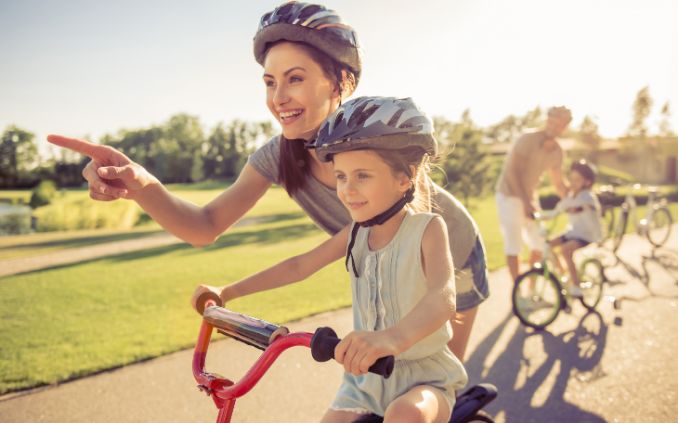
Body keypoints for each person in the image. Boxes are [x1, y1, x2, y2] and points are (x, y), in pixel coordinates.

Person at [46, 1, 488, 361]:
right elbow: (204, 226)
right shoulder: (279, 156)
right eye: (270, 82)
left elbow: (417, 262)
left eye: (295, 79)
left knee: (429, 382)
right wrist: (142, 185)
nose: (278, 98)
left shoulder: (377, 142)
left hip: (450, 260)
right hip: (388, 269)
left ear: (341, 82)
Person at [193, 97, 468, 423]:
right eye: (340, 176)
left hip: (424, 379)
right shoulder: (354, 233)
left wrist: (392, 338)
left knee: (404, 415)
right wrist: (227, 291)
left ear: (404, 178)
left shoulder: (427, 228)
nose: (347, 190)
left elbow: (443, 297)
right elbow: (299, 266)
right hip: (365, 381)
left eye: (362, 175)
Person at [494, 106, 572, 283]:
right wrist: (527, 203)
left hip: (529, 197)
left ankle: (531, 288)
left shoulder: (558, 152)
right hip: (509, 196)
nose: (553, 126)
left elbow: (559, 183)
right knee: (514, 246)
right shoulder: (527, 139)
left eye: (559, 124)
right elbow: (513, 173)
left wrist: (576, 200)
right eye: (551, 121)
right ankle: (518, 291)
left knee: (539, 244)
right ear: (547, 120)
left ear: (565, 127)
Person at [548, 159, 602, 295]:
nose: (572, 183)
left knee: (565, 250)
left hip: (587, 235)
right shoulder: (571, 196)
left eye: (577, 180)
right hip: (573, 232)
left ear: (587, 182)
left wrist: (573, 207)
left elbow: (583, 204)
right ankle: (565, 273)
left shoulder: (588, 197)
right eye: (571, 179)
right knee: (547, 246)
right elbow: (558, 209)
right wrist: (540, 215)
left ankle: (576, 285)